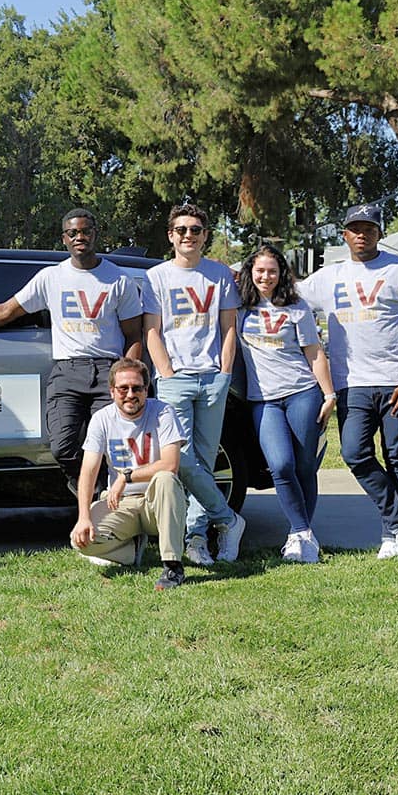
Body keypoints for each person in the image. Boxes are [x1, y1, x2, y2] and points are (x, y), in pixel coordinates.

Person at [0, 208, 143, 492]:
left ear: (96, 234)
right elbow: (5, 311)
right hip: (68, 370)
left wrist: (127, 379)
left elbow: (133, 334)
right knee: (62, 446)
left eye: (86, 231)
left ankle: (110, 511)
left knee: (111, 445)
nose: (80, 237)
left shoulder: (119, 280)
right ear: (64, 238)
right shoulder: (50, 277)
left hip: (108, 370)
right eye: (73, 232)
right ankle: (89, 488)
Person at [300, 203, 398, 561]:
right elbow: (282, 292)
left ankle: (393, 537)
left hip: (396, 381)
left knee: (397, 458)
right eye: (355, 228)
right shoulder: (328, 276)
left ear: (379, 233)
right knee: (355, 453)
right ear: (344, 235)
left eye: (369, 228)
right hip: (352, 382)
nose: (362, 234)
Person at [142, 204, 247, 565]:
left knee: (204, 459)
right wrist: (166, 372)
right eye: (182, 229)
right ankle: (228, 519)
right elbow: (151, 330)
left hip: (213, 379)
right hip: (175, 380)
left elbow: (229, 327)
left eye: (196, 229)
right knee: (181, 457)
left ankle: (196, 538)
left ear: (205, 235)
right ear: (171, 235)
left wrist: (224, 370)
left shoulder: (218, 275)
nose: (189, 235)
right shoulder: (157, 277)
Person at [237, 245, 336, 563]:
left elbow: (314, 353)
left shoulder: (296, 307)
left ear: (281, 275)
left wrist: (329, 394)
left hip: (302, 393)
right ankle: (302, 532)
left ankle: (301, 537)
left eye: (272, 271)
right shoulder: (239, 307)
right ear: (250, 272)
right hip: (263, 400)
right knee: (280, 465)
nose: (265, 276)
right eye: (260, 270)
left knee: (305, 466)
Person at [69, 358, 188, 590]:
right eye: (123, 388)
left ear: (146, 390)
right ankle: (132, 549)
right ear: (112, 391)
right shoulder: (102, 418)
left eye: (137, 388)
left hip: (157, 502)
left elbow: (170, 464)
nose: (130, 394)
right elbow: (89, 470)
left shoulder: (163, 412)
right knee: (81, 540)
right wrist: (83, 516)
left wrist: (126, 476)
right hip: (121, 503)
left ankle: (173, 566)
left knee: (165, 478)